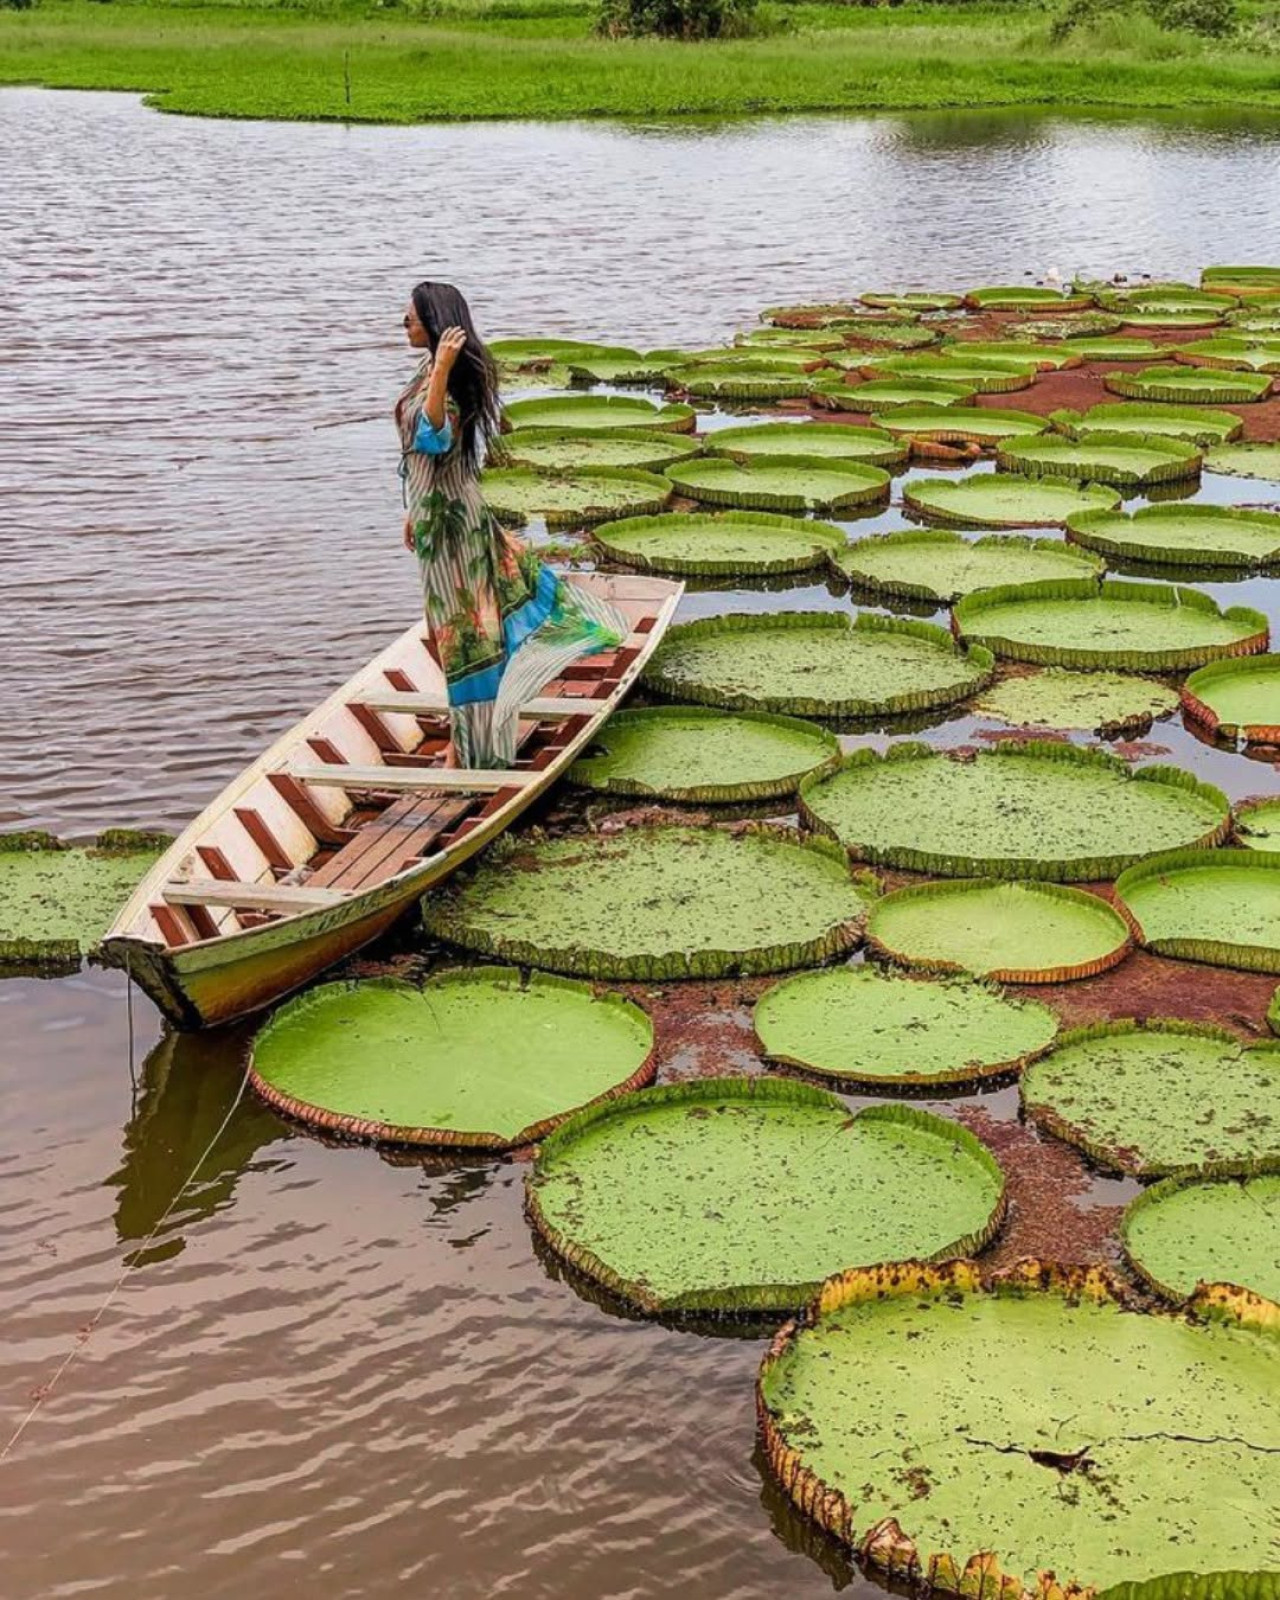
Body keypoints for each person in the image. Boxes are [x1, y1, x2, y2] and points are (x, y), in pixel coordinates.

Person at [396, 281, 625, 768]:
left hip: (454, 532)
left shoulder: (449, 383)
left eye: (411, 318)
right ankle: (468, 737)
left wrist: (440, 368)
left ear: (435, 323)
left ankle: (474, 750)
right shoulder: (430, 373)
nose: (404, 324)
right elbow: (423, 462)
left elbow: (432, 438)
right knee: (452, 633)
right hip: (440, 523)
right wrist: (413, 509)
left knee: (462, 637)